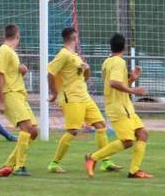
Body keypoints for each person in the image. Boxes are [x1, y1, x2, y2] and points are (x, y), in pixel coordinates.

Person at [46, 27, 119, 174]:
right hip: (71, 97)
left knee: (100, 125)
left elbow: (84, 78)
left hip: (84, 96)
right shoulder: (64, 54)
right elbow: (50, 73)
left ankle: (106, 161)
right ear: (74, 38)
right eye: (77, 37)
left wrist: (87, 69)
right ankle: (54, 163)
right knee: (73, 131)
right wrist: (54, 93)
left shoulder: (76, 56)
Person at [85, 34, 153, 179]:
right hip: (118, 107)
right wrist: (133, 90)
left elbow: (117, 83)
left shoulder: (108, 61)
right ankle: (93, 157)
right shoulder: (118, 62)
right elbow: (113, 83)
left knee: (142, 134)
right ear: (124, 47)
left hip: (125, 106)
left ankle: (134, 171)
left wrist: (131, 79)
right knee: (127, 141)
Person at [0, 24, 38, 176]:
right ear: (17, 36)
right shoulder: (4, 50)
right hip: (10, 94)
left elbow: (10, 73)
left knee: (34, 131)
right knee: (26, 128)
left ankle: (9, 164)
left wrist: (22, 70)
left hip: (20, 95)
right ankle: (19, 166)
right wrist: (1, 101)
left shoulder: (11, 52)